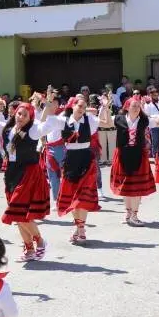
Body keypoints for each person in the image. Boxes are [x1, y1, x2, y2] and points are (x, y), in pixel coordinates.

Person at [0, 95, 57, 262]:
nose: (21, 117)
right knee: (18, 214)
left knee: (17, 211)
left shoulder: (32, 130)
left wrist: (48, 105)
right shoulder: (7, 129)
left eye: (25, 115)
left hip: (28, 173)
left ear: (30, 117)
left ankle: (40, 241)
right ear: (15, 113)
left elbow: (49, 125)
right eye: (19, 114)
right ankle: (29, 248)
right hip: (11, 173)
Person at [52, 94, 101, 244]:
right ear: (72, 106)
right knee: (73, 197)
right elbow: (46, 122)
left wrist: (104, 107)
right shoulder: (62, 120)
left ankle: (81, 229)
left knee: (83, 197)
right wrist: (48, 104)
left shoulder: (90, 120)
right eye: (79, 106)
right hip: (71, 159)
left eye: (84, 107)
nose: (82, 109)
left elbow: (106, 122)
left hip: (86, 158)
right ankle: (79, 228)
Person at [108, 95, 156, 225]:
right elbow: (105, 121)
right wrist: (106, 107)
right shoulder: (118, 118)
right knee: (126, 186)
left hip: (138, 154)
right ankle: (128, 212)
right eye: (133, 106)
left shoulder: (144, 119)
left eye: (138, 106)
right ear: (127, 107)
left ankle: (135, 214)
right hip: (123, 154)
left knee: (137, 187)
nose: (136, 108)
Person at [143, 87, 159, 159]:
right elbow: (148, 115)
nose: (155, 96)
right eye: (153, 95)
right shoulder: (147, 104)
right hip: (154, 126)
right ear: (150, 95)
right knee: (155, 142)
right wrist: (157, 118)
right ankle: (155, 157)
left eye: (156, 94)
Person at [97, 95, 116, 166]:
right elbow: (99, 118)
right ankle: (103, 159)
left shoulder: (113, 107)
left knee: (112, 144)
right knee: (102, 144)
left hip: (112, 128)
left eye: (105, 99)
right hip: (101, 128)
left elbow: (113, 118)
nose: (103, 101)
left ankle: (111, 159)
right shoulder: (100, 108)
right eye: (102, 99)